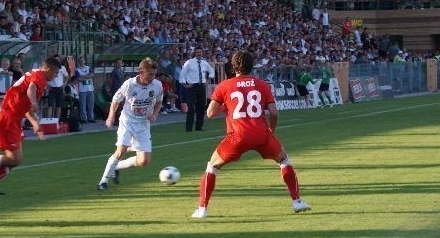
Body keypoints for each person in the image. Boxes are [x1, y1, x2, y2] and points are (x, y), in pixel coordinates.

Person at [190, 51, 311, 218]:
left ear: (233, 67)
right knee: (284, 160)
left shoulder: (224, 85)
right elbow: (274, 113)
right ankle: (297, 202)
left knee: (212, 167)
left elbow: (210, 114)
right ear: (252, 66)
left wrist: (225, 105)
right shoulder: (262, 85)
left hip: (237, 136)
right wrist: (271, 131)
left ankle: (202, 209)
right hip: (261, 134)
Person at [0, 56, 62, 195]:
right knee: (14, 159)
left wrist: (35, 123)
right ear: (48, 69)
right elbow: (31, 90)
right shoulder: (39, 78)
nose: (56, 75)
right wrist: (34, 102)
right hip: (8, 119)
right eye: (56, 72)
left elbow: (25, 101)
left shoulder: (35, 75)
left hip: (13, 119)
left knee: (15, 159)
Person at [96, 57, 163, 191]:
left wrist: (155, 114)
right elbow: (116, 100)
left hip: (143, 124)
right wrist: (111, 116)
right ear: (141, 71)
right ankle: (103, 182)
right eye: (150, 74)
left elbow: (159, 101)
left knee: (143, 161)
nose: (153, 77)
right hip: (128, 121)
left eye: (154, 74)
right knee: (121, 150)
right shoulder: (129, 84)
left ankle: (117, 167)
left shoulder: (157, 85)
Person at [179, 47, 213, 132]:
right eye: (197, 52)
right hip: (192, 86)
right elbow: (182, 74)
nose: (199, 54)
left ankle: (199, 127)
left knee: (201, 108)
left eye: (200, 52)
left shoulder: (204, 63)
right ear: (195, 53)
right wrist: (185, 85)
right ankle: (188, 128)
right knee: (191, 108)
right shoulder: (189, 63)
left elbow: (211, 71)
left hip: (201, 86)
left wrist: (208, 80)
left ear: (202, 53)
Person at [74, 55, 95, 123]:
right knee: (83, 105)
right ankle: (83, 118)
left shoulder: (88, 68)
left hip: (90, 89)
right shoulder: (77, 70)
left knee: (90, 104)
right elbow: (79, 79)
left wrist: (83, 76)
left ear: (84, 61)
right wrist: (87, 76)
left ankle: (91, 118)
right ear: (79, 62)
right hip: (82, 90)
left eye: (83, 60)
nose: (82, 62)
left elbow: (92, 75)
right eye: (80, 61)